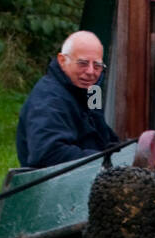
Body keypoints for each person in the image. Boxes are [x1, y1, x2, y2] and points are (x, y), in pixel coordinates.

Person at [16, 31, 117, 168]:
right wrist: (107, 160)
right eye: (83, 63)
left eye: (97, 66)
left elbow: (101, 133)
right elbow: (48, 154)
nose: (90, 72)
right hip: (54, 182)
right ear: (62, 61)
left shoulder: (93, 91)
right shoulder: (48, 99)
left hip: (92, 173)